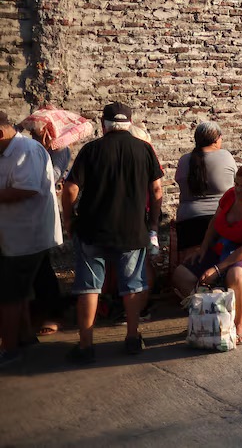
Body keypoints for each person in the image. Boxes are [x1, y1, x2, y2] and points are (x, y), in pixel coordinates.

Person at [62, 102, 163, 363]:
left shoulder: (91, 149)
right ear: (129, 122)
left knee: (88, 287)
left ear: (103, 123)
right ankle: (132, 338)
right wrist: (153, 224)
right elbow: (157, 191)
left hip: (92, 228)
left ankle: (86, 345)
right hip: (132, 230)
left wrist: (69, 219)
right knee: (132, 285)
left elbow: (70, 189)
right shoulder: (144, 149)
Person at [171, 163, 242, 346]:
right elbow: (214, 222)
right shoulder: (231, 195)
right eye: (236, 184)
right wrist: (203, 247)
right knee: (181, 274)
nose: (237, 189)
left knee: (235, 274)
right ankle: (209, 313)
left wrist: (217, 269)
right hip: (225, 243)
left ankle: (239, 323)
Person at [0, 112, 61, 368]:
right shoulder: (7, 151)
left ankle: (10, 349)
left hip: (27, 235)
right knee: (19, 292)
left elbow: (26, 188)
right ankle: (24, 337)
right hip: (13, 235)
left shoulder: (26, 150)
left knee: (9, 295)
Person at [173, 122, 237, 261]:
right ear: (216, 139)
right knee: (219, 262)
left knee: (190, 265)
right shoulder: (225, 156)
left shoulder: (184, 160)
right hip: (219, 216)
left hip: (188, 218)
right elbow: (236, 184)